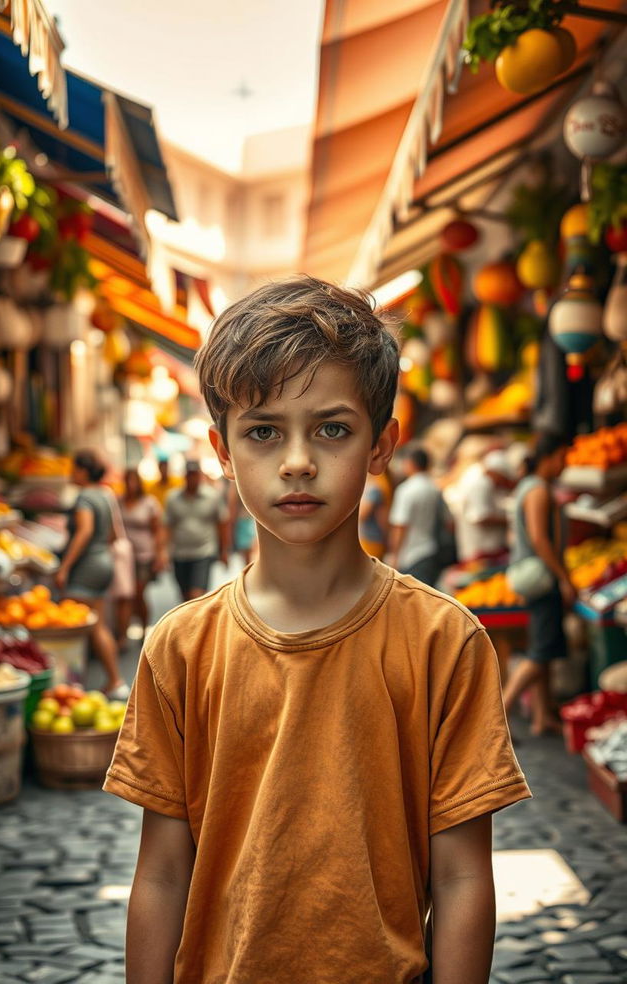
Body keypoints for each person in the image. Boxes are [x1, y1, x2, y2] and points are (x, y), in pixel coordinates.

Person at [104, 276, 530, 984]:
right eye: (263, 431)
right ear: (222, 449)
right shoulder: (180, 648)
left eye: (332, 429)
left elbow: (461, 879)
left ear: (381, 444)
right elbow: (161, 874)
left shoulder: (442, 642)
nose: (297, 460)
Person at [503, 431, 575, 736]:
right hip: (541, 577)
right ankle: (497, 717)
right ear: (550, 456)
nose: (564, 465)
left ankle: (542, 717)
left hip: (530, 574)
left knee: (541, 650)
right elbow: (540, 539)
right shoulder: (538, 491)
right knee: (539, 654)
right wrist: (564, 577)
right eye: (562, 457)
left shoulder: (527, 487)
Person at [55, 449, 128, 699]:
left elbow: (84, 532)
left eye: (74, 469)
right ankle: (114, 680)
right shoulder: (106, 494)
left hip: (86, 567)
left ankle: (74, 686)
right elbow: (114, 535)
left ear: (83, 472)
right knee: (96, 624)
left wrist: (65, 566)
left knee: (76, 626)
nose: (70, 474)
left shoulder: (85, 497)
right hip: (104, 562)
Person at [163, 459, 230, 600]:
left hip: (203, 552)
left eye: (195, 475)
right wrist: (163, 551)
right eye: (189, 475)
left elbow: (222, 523)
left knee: (197, 595)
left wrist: (224, 550)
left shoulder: (212, 496)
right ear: (185, 476)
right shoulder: (173, 498)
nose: (192, 478)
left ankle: (199, 621)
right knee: (185, 596)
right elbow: (167, 526)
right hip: (180, 553)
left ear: (199, 476)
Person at [387, 444, 452, 585]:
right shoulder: (435, 488)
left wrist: (394, 556)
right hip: (431, 552)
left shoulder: (406, 490)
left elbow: (400, 526)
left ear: (410, 463)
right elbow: (449, 522)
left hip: (411, 555)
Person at [116, 467, 167, 646]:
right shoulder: (119, 502)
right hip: (124, 556)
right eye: (127, 481)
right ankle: (122, 634)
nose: (130, 485)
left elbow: (158, 530)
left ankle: (145, 628)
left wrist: (160, 554)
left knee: (138, 592)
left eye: (133, 481)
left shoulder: (149, 503)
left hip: (145, 555)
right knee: (125, 595)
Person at [452, 449, 516, 564]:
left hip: (486, 551)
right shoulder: (481, 484)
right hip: (480, 552)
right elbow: (481, 517)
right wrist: (510, 520)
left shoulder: (485, 484)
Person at [359, 472, 391, 558]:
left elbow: (362, 514)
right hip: (372, 538)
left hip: (372, 539)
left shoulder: (376, 487)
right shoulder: (381, 482)